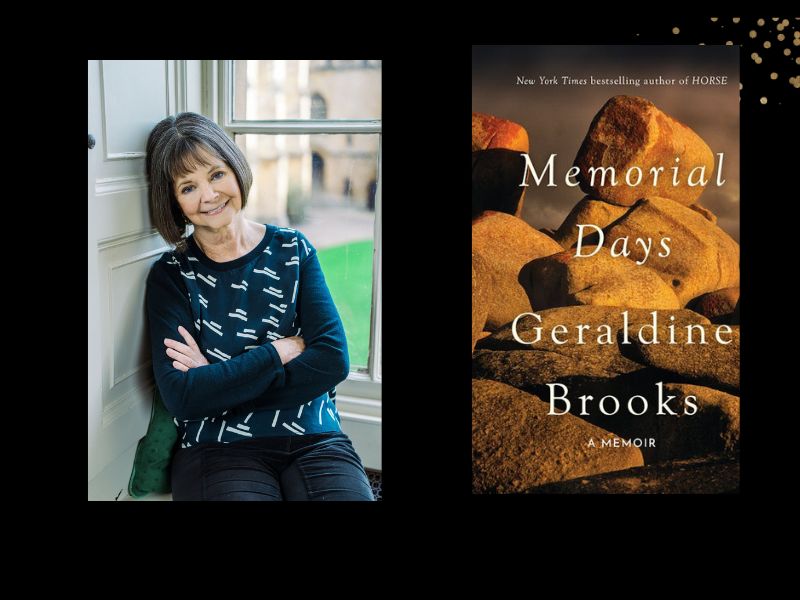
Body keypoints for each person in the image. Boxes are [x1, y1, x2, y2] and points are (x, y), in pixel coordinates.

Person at [144, 112, 374, 501]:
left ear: (235, 169)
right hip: (218, 446)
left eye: (216, 175)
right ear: (173, 201)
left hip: (314, 436)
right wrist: (280, 350)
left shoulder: (292, 250)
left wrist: (220, 383)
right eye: (188, 187)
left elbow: (331, 360)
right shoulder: (172, 275)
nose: (209, 196)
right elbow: (183, 397)